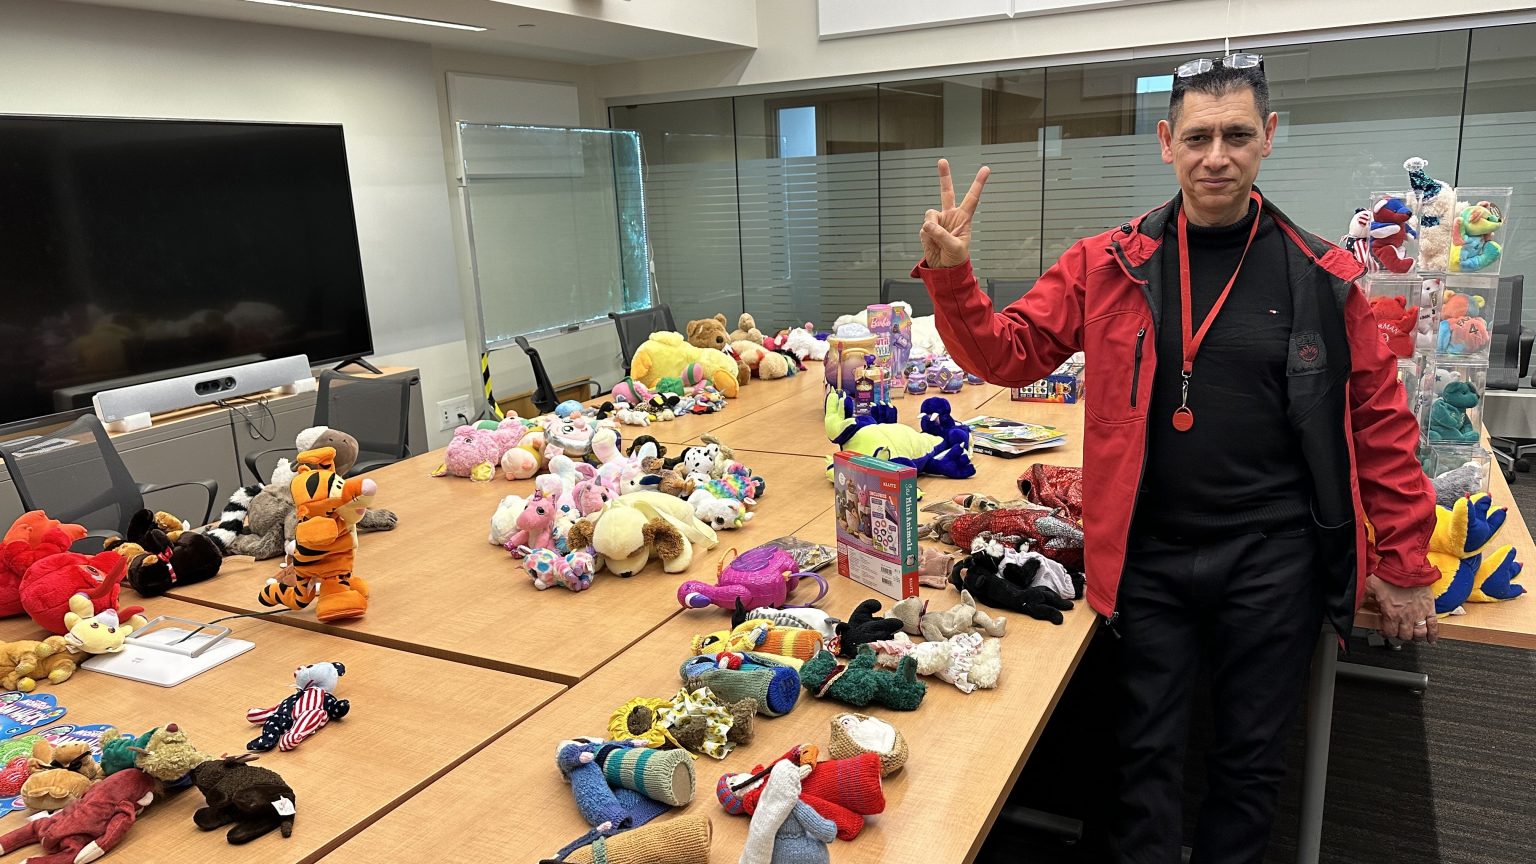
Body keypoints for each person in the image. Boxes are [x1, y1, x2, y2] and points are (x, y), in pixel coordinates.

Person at [914, 54, 1439, 863]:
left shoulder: (1323, 276)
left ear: (1268, 137)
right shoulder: (1107, 262)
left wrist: (1404, 557)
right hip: (1149, 553)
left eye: (1235, 134)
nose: (1216, 155)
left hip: (1274, 558)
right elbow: (1009, 354)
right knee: (1145, 758)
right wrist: (953, 279)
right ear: (1167, 142)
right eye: (1197, 136)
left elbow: (1379, 420)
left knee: (1250, 762)